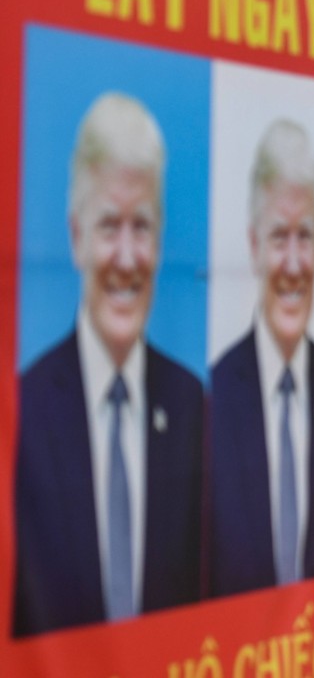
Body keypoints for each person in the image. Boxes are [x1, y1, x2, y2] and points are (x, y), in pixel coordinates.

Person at [13, 93, 204, 637]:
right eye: (107, 227)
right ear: (75, 237)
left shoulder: (193, 405)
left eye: (140, 227)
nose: (125, 256)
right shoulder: (21, 408)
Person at [208, 118, 314, 597]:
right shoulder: (208, 398)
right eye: (278, 238)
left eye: (305, 237)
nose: (293, 263)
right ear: (253, 247)